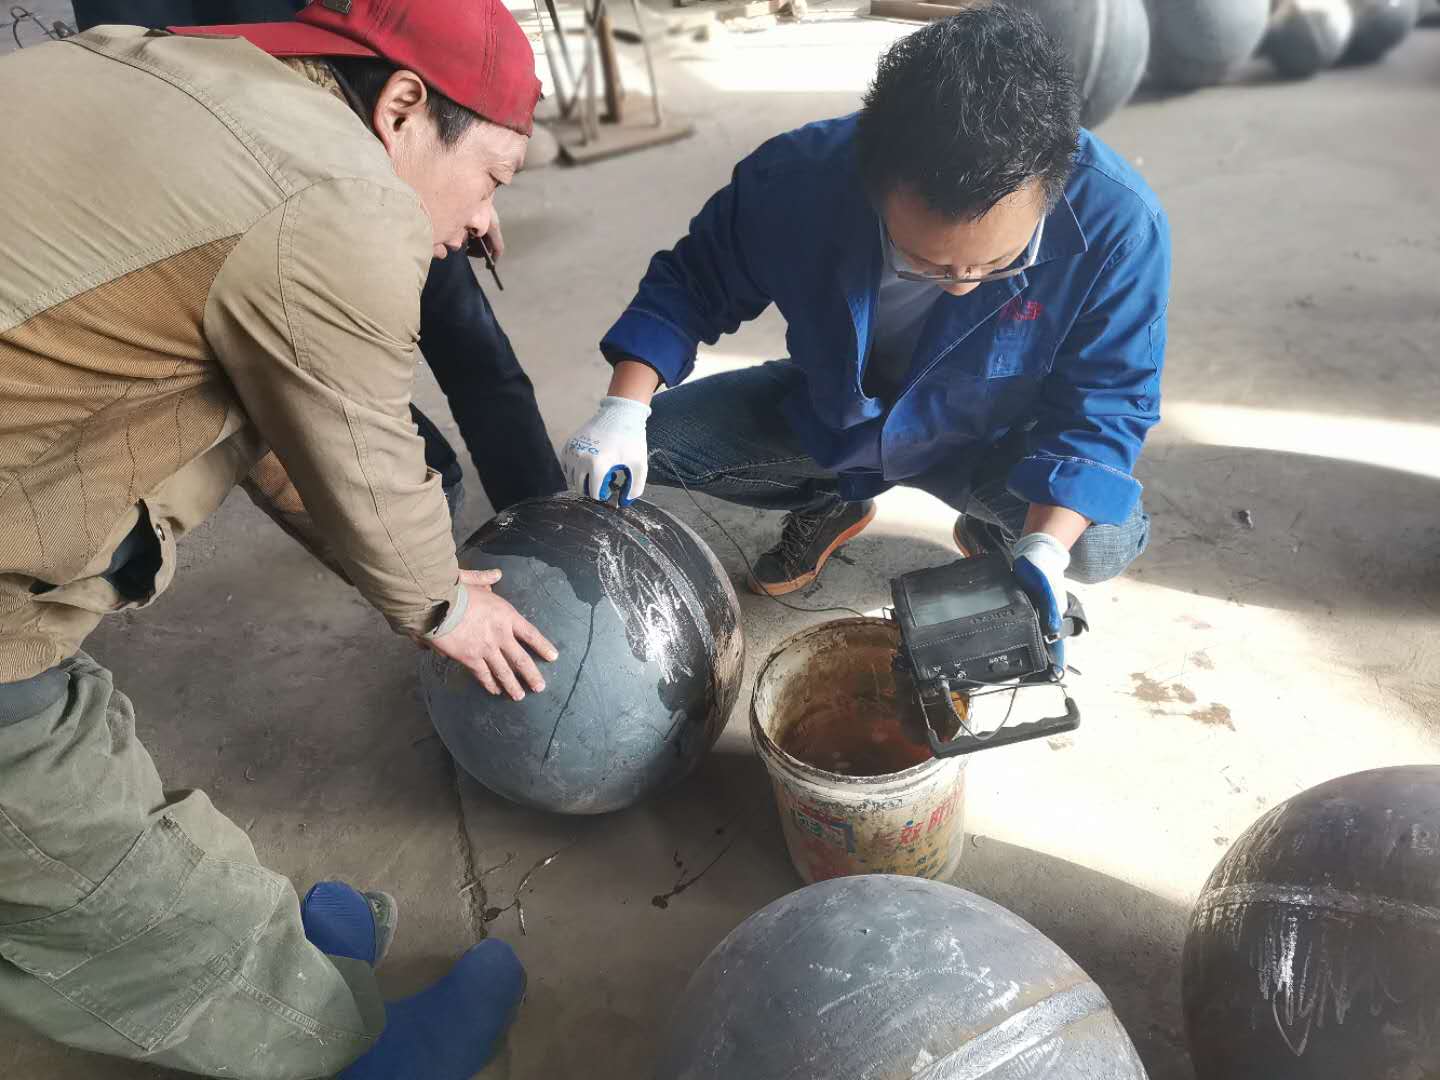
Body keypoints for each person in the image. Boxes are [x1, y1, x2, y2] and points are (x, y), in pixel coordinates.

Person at [0, 2, 559, 1076]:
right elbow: (362, 438)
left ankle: (259, 933)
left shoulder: (204, 89)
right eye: (493, 176)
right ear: (403, 108)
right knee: (58, 826)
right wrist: (443, 603)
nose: (487, 224)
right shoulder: (338, 194)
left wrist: (412, 576)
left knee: (75, 717)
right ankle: (337, 1044)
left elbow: (277, 427)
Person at [564, 5, 1167, 636]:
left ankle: (998, 531)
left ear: (1053, 186)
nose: (962, 285)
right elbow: (692, 283)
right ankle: (832, 497)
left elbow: (1108, 400)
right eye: (925, 262)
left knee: (1096, 541)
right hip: (839, 414)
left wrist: (1044, 546)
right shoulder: (794, 180)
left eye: (996, 265)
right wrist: (622, 410)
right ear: (873, 181)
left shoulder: (1120, 226)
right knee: (656, 447)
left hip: (994, 442)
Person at [71, 0, 568, 518]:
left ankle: (549, 525)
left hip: (370, 126)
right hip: (262, 185)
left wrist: (470, 177)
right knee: (336, 396)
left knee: (469, 348)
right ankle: (432, 495)